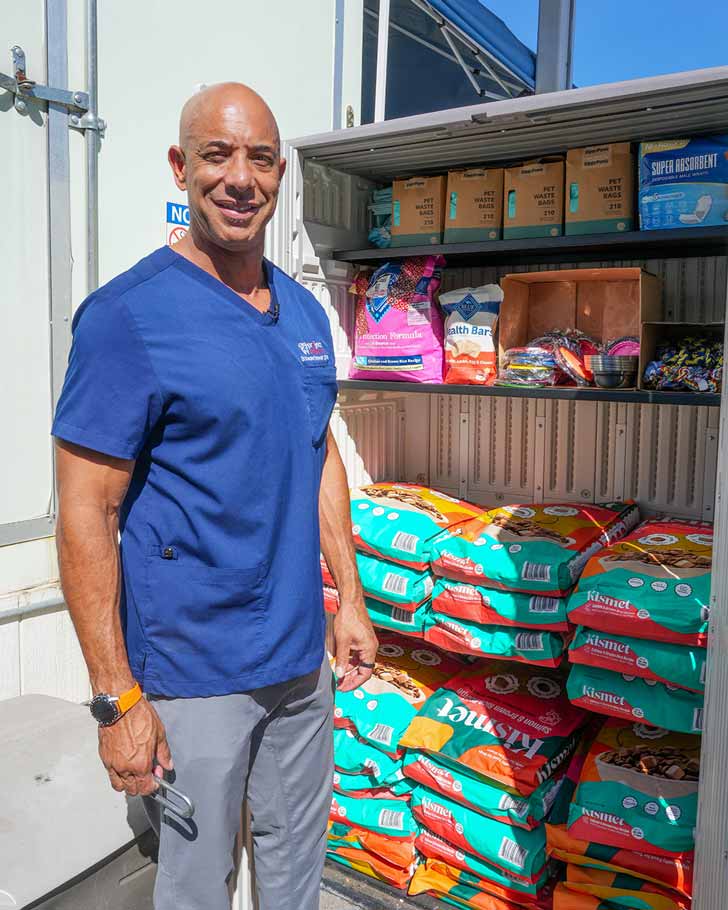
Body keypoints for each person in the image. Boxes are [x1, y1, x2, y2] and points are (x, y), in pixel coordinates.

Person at [51, 82, 378, 910]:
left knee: (295, 877)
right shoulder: (128, 317)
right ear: (181, 166)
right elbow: (86, 511)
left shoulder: (303, 314)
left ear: (280, 176)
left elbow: (318, 451)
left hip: (299, 663)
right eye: (218, 155)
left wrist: (350, 599)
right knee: (197, 888)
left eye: (260, 159)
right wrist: (116, 700)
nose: (240, 178)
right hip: (192, 675)